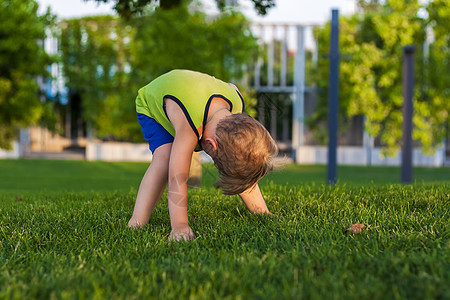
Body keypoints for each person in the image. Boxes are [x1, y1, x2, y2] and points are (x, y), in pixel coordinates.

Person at [128, 69, 278, 241]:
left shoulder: (236, 105)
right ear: (211, 145)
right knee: (165, 158)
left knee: (243, 157)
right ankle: (136, 222)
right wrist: (180, 226)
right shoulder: (190, 127)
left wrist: (263, 213)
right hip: (154, 104)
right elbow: (177, 177)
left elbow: (231, 87)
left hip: (188, 95)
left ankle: (262, 212)